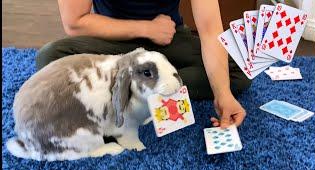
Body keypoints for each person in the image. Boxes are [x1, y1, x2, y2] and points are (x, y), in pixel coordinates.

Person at [36, 0, 251, 128]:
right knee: (51, 58)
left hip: (169, 39)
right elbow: (75, 22)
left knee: (237, 70)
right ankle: (147, 85)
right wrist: (146, 28)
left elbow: (210, 29)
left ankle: (135, 87)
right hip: (112, 41)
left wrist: (222, 93)